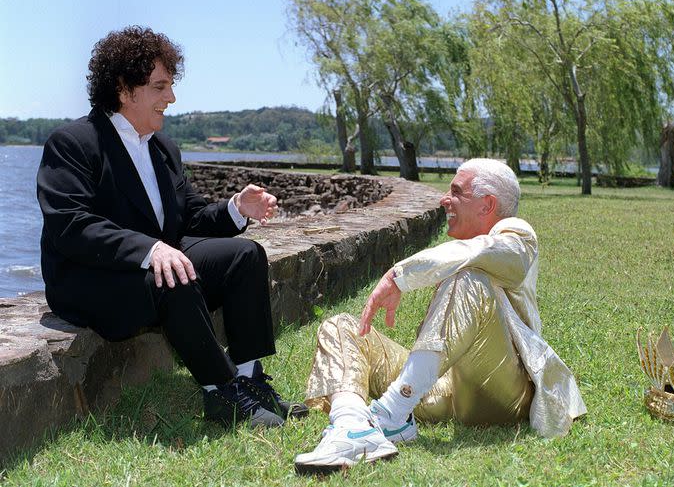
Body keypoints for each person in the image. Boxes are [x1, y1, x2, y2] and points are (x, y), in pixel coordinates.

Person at [37, 26, 306, 428]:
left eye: (170, 86)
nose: (172, 98)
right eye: (160, 87)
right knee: (172, 273)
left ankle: (250, 380)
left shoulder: (163, 147)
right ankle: (222, 391)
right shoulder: (74, 142)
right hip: (90, 282)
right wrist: (150, 250)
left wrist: (236, 207)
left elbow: (188, 218)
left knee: (245, 256)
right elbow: (71, 225)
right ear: (126, 89)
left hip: (153, 271)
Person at [294, 158, 586, 474]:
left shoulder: (517, 235)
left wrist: (398, 276)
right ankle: (352, 426)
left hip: (501, 393)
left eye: (456, 192)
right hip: (443, 389)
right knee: (340, 325)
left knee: (469, 279)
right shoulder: (466, 248)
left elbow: (483, 252)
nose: (444, 200)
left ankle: (391, 413)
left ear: (487, 205)